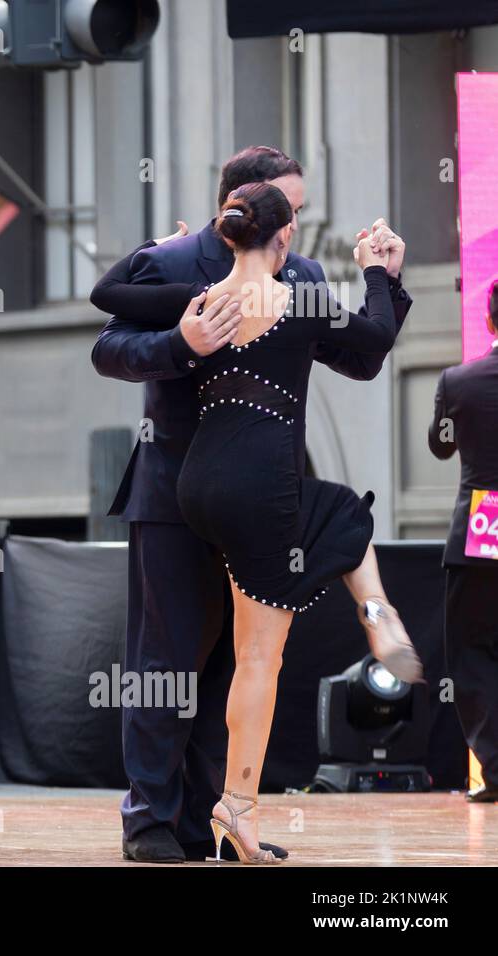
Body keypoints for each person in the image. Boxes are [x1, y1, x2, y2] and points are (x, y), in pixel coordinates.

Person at [90, 145, 413, 864]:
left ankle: (207, 819)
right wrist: (181, 341)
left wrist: (384, 282)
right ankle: (148, 821)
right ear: (239, 202)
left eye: (299, 210)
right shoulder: (174, 262)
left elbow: (359, 358)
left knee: (234, 665)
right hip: (171, 494)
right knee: (166, 659)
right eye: (289, 210)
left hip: (262, 491)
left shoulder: (297, 274)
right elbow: (108, 347)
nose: (296, 224)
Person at [428, 278, 498, 803]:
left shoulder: (460, 380)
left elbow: (439, 447)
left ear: (489, 321)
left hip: (484, 518)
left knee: (472, 650)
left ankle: (495, 768)